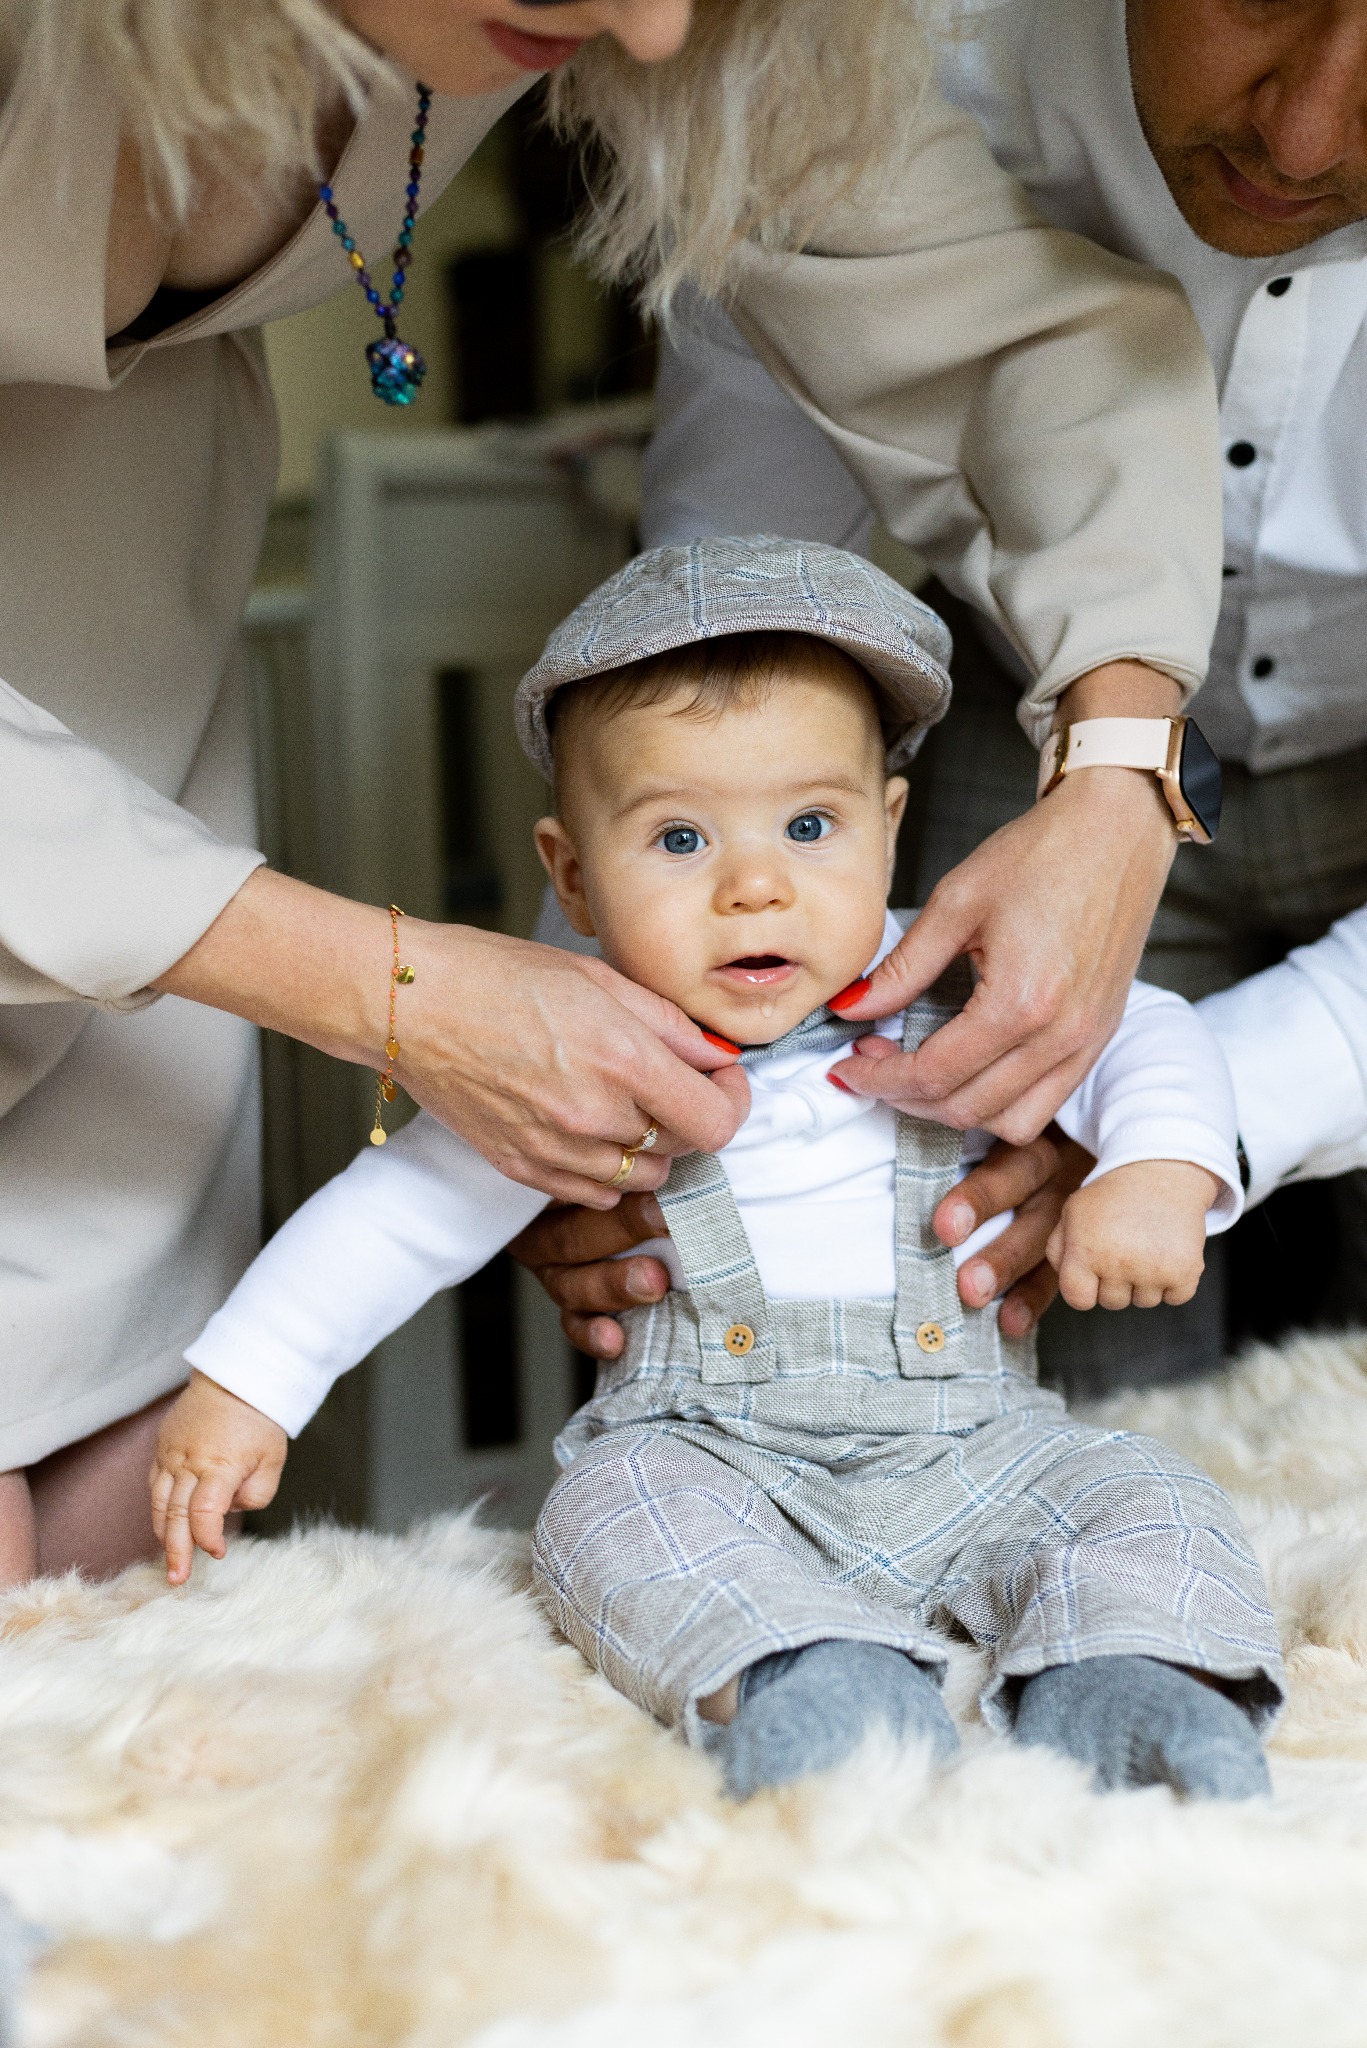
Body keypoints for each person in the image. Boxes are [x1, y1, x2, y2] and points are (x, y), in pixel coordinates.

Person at [0, 0, 1235, 1581]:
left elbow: (1009, 336)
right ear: (565, 872)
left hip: (127, 694)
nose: (647, 23)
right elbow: (393, 1223)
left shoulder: (657, 25)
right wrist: (390, 995)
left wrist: (1120, 769)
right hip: (110, 863)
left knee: (112, 1549)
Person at [150, 539, 1282, 1803]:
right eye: (680, 838)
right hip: (710, 1457)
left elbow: (1137, 1022)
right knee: (609, 1518)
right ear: (572, 877)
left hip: (978, 1444)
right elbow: (403, 1207)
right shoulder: (577, 1056)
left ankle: (1127, 1674)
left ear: (888, 827)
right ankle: (810, 1677)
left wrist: (1158, 1170)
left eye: (809, 826)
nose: (754, 887)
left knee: (1141, 1493)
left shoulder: (957, 980)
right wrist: (245, 1382)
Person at [517, 0, 1367, 1393]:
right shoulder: (882, 50)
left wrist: (1158, 1129)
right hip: (1011, 712)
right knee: (1007, 1351)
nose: (1299, 131)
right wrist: (596, 1058)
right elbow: (717, 621)